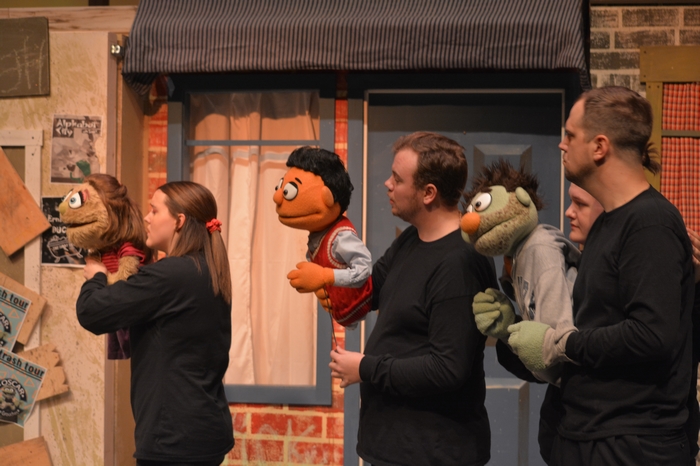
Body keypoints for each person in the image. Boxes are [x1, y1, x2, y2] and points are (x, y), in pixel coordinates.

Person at [507, 86, 695, 465]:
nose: (562, 145)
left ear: (599, 147)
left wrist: (563, 344)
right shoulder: (608, 222)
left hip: (629, 444)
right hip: (587, 434)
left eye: (570, 135)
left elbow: (651, 335)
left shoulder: (650, 223)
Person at [329, 131, 498, 466]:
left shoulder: (460, 263)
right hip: (393, 444)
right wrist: (328, 257)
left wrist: (365, 367)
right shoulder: (411, 239)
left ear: (428, 193)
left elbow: (447, 368)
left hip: (434, 451)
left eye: (397, 178)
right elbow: (367, 292)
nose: (387, 184)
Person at [76, 181, 234, 466]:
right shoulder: (207, 268)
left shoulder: (170, 275)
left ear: (179, 221)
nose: (146, 218)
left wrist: (96, 276)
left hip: (173, 440)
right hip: (206, 430)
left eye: (154, 210)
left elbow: (92, 312)